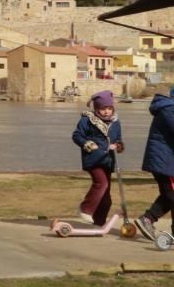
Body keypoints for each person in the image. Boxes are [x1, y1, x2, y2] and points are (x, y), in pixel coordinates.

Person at [71, 90, 124, 226]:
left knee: (106, 198)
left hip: (108, 161)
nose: (106, 112)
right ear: (96, 109)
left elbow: (118, 139)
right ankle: (85, 209)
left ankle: (98, 224)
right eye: (102, 109)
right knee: (101, 184)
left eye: (109, 108)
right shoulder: (87, 120)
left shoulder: (115, 122)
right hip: (93, 159)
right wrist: (87, 144)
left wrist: (118, 145)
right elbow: (77, 135)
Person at [133, 87, 174, 241]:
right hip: (164, 162)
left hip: (166, 161)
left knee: (168, 196)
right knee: (172, 195)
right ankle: (147, 219)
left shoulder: (168, 107)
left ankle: (148, 219)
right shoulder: (169, 109)